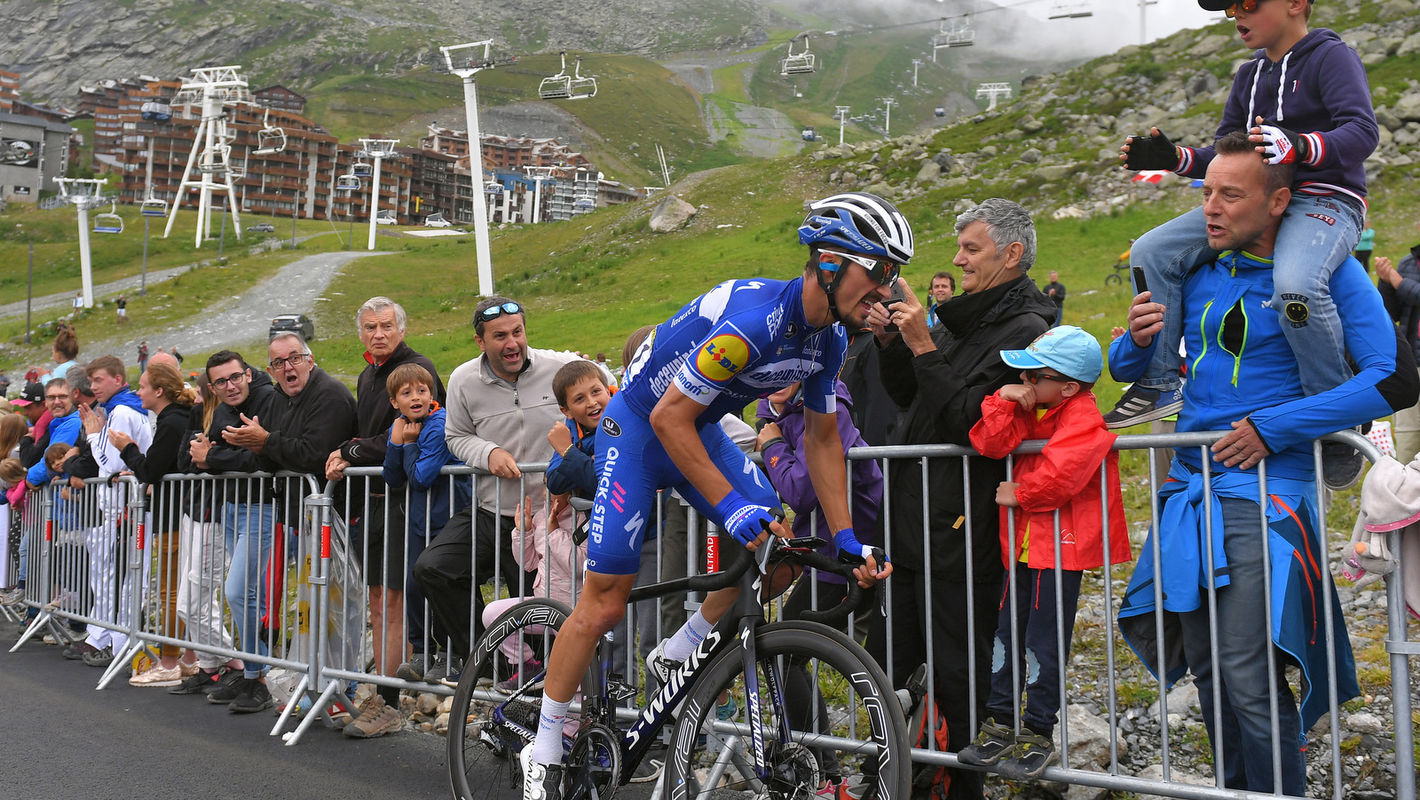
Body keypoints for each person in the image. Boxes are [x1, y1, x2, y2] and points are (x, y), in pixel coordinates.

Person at [521, 191, 903, 800]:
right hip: (642, 429)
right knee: (604, 603)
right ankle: (542, 746)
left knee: (778, 554)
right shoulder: (752, 324)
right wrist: (731, 505)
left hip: (696, 429)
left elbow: (826, 441)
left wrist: (847, 536)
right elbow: (670, 419)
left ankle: (684, 645)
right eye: (880, 272)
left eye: (894, 275)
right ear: (829, 265)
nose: (889, 290)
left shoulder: (827, 341)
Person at [1112, 132, 1417, 795]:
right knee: (1210, 674)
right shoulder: (1195, 267)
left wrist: (1273, 428)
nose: (1212, 208)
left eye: (1230, 194)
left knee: (1250, 677)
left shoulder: (1326, 273)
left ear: (1280, 201)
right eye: (1206, 193)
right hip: (1188, 489)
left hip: (1268, 490)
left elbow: (1395, 381)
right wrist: (1136, 344)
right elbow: (1126, 366)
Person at [1109, 0, 1379, 463]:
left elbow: (1362, 131)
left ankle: (1332, 416)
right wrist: (1176, 159)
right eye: (1229, 7)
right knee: (1152, 250)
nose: (1236, 14)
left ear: (1296, 3)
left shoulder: (1331, 56)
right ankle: (1158, 382)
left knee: (1296, 286)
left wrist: (1300, 146)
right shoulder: (1248, 74)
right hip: (1254, 200)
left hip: (1324, 199)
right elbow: (1228, 154)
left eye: (1248, 3)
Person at [867, 197, 1056, 800]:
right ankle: (893, 776)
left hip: (962, 523)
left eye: (971, 250)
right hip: (911, 514)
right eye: (959, 248)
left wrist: (922, 343)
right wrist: (894, 345)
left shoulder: (1027, 329)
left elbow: (970, 422)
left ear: (1012, 254)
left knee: (957, 666)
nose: (958, 260)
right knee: (888, 660)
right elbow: (910, 400)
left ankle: (961, 784)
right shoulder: (959, 315)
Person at [959, 325, 1131, 780]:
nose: (1029, 381)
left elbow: (1064, 473)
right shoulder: (1033, 408)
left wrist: (1021, 493)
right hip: (1022, 549)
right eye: (1028, 374)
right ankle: (998, 722)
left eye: (1037, 375)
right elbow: (989, 442)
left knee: (1042, 642)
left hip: (1061, 550)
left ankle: (1037, 729)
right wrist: (1004, 395)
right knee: (1005, 634)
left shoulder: (1082, 415)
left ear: (1069, 387)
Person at [410, 297, 587, 688]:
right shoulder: (462, 379)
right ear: (480, 341)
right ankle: (490, 664)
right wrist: (487, 453)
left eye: (518, 332)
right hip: (492, 509)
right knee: (432, 567)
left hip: (548, 520)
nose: (512, 343)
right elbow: (456, 435)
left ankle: (541, 704)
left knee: (540, 615)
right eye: (500, 336)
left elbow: (600, 396)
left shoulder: (558, 366)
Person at [324, 297, 445, 695]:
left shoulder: (417, 370)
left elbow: (407, 432)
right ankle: (379, 687)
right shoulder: (367, 375)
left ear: (402, 330)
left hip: (402, 500)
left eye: (387, 326)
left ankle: (388, 697)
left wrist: (350, 451)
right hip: (371, 501)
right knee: (376, 595)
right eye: (371, 327)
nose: (379, 334)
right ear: (360, 333)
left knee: (393, 598)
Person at [356, 362, 469, 738]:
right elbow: (391, 477)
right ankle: (422, 651)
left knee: (437, 582)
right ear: (394, 401)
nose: (416, 397)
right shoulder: (399, 425)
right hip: (419, 521)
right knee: (412, 582)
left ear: (432, 393)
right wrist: (397, 442)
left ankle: (450, 654)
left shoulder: (438, 423)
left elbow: (420, 476)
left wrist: (405, 445)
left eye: (422, 390)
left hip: (447, 516)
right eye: (407, 393)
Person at [186, 350, 279, 711]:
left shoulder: (268, 400)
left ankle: (259, 675)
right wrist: (214, 457)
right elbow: (200, 458)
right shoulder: (222, 409)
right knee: (244, 594)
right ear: (212, 386)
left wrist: (215, 457)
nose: (230, 386)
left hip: (262, 507)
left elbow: (263, 458)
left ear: (249, 374)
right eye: (221, 382)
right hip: (230, 507)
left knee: (238, 590)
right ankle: (253, 674)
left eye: (235, 377)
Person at [107, 361, 200, 687]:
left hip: (173, 516)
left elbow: (152, 469)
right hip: (176, 514)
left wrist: (127, 448)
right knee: (179, 590)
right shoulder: (174, 417)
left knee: (171, 591)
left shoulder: (172, 420)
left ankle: (171, 660)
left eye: (143, 386)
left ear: (159, 391)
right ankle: (188, 658)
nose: (137, 391)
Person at [72, 356, 154, 668]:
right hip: (124, 506)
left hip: (125, 507)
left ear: (118, 380)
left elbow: (111, 463)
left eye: (98, 380)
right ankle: (105, 637)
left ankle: (118, 644)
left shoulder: (121, 410)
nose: (93, 387)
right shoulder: (127, 408)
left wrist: (94, 434)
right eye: (90, 381)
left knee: (119, 575)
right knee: (117, 575)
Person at [1376, 226, 1420, 460]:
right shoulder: (1407, 264)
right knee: (1408, 438)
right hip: (1413, 362)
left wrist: (1396, 280)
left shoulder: (1400, 274)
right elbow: (1390, 312)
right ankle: (1410, 494)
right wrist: (1385, 282)